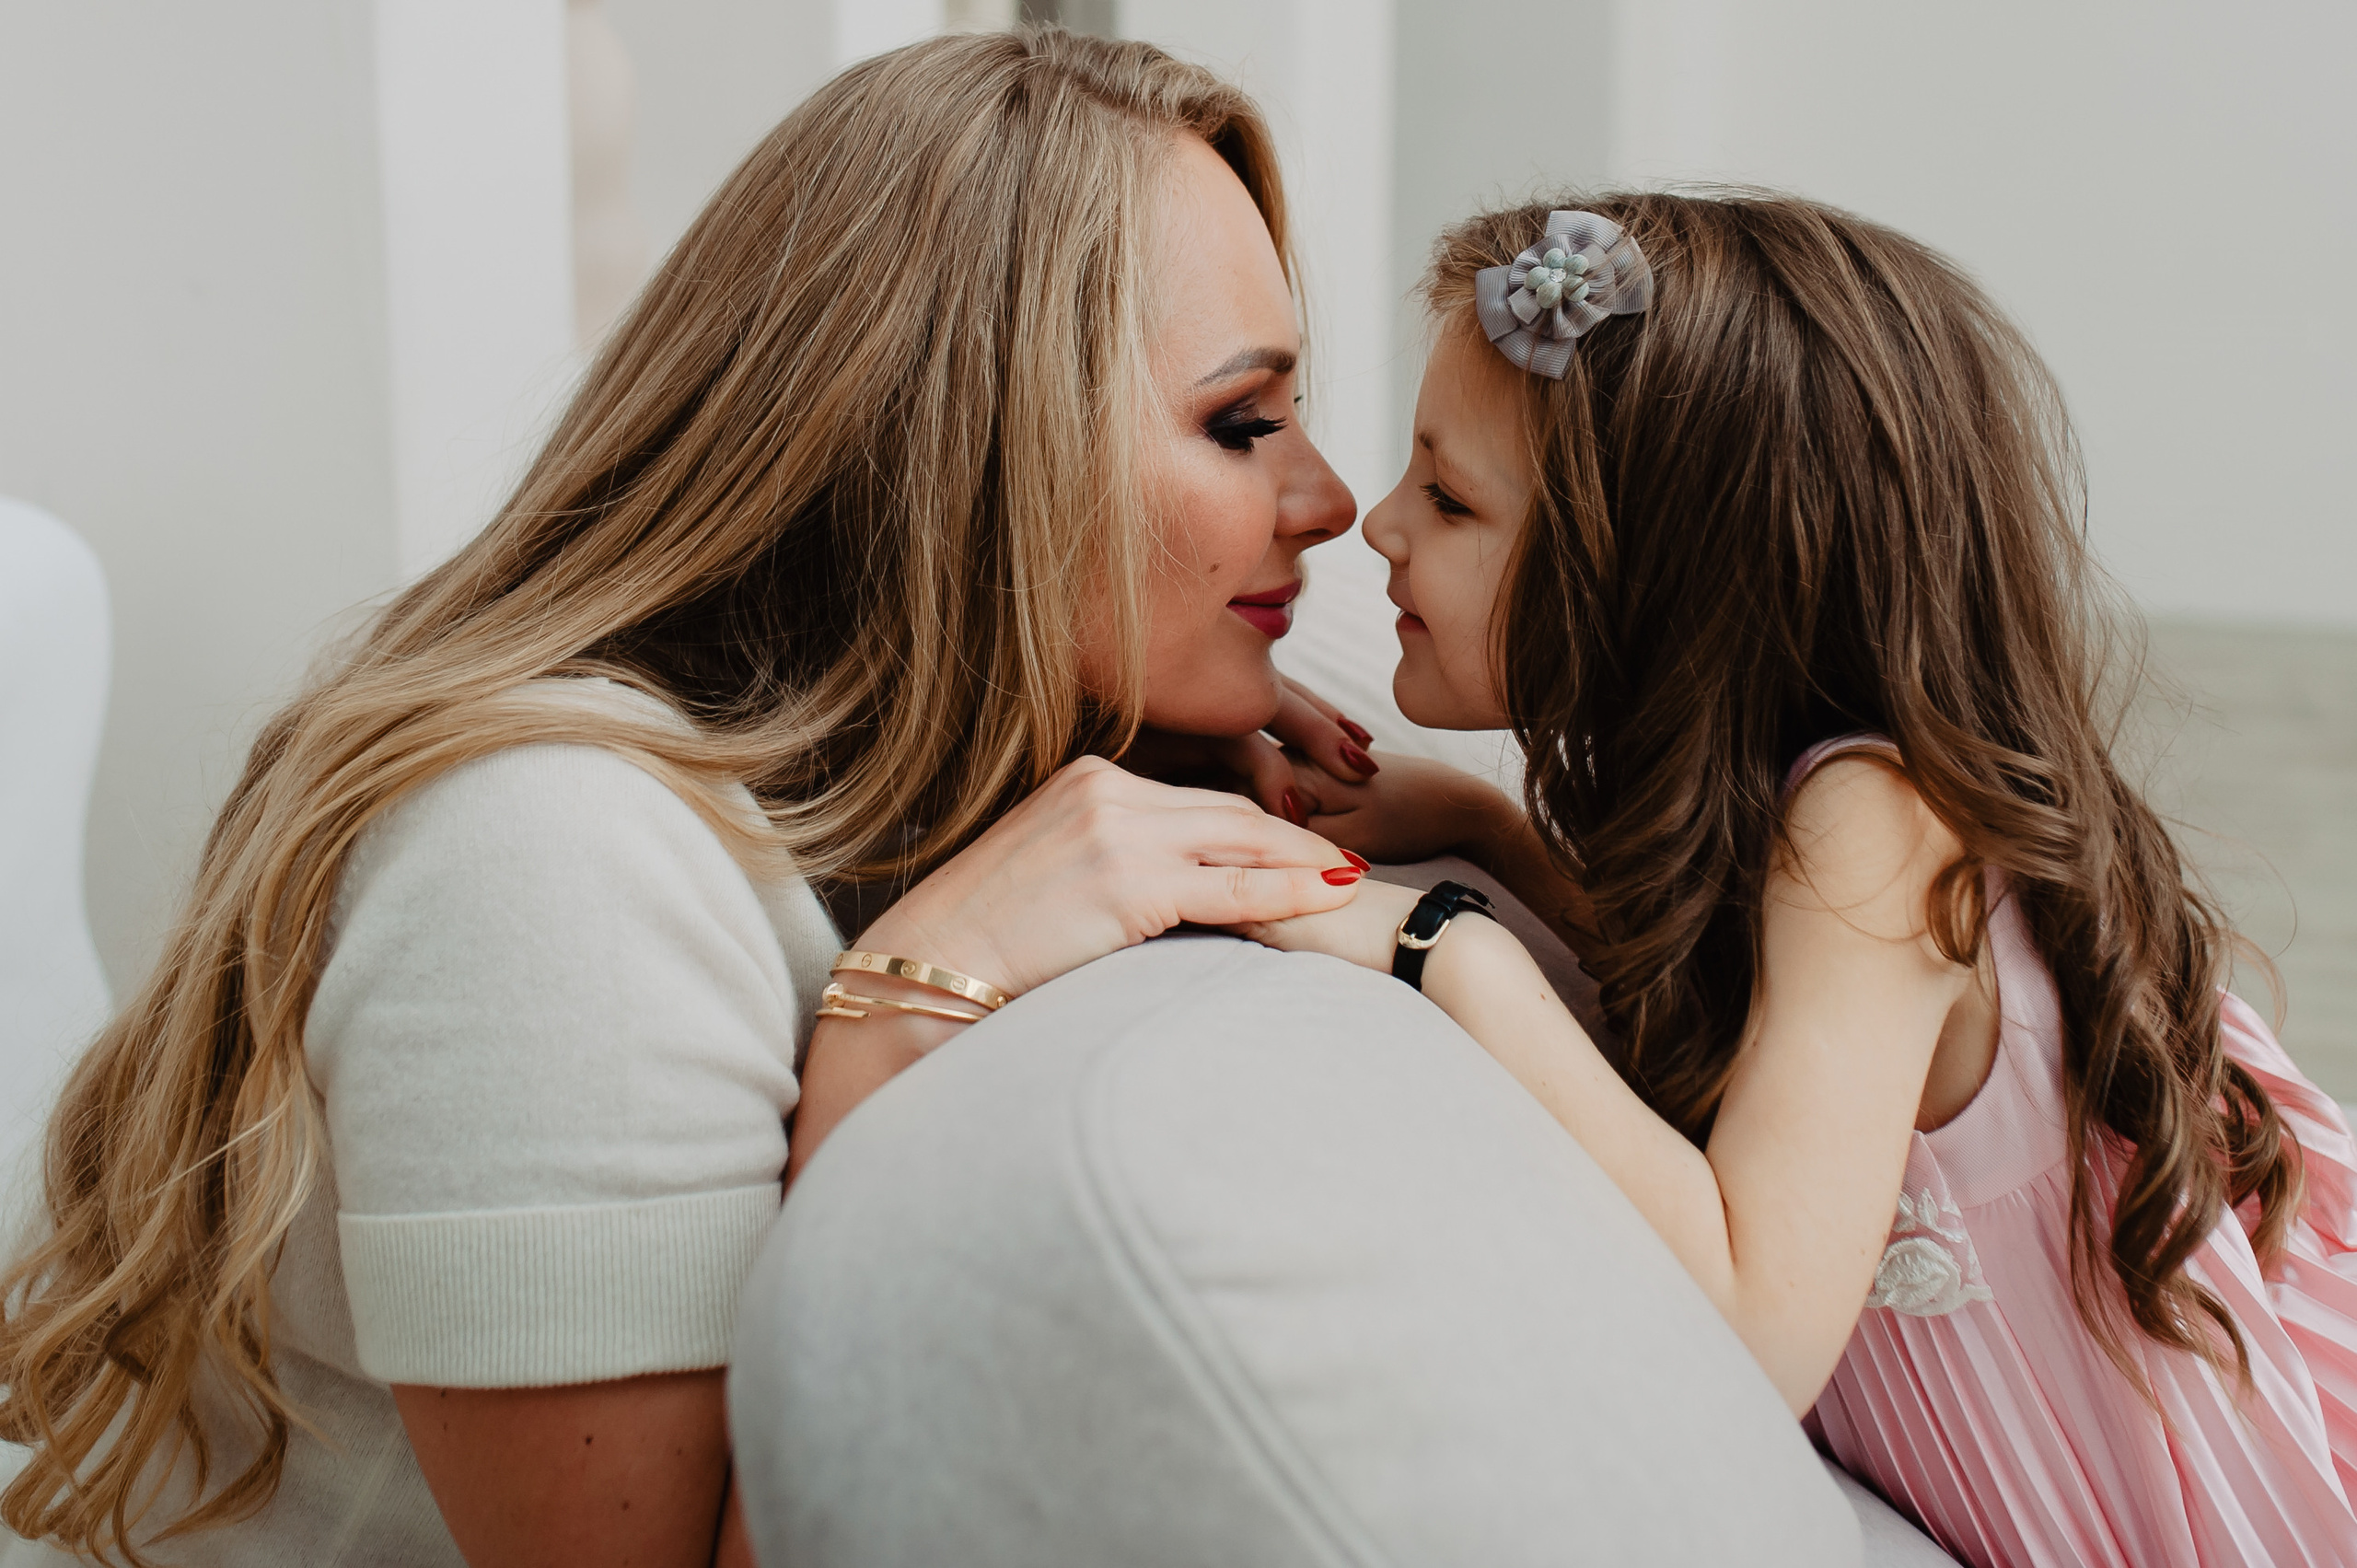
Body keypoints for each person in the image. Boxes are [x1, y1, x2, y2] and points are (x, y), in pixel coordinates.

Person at [0, 29, 1381, 1567]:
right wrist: (900, 1028)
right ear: (962, 449)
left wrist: (1415, 825)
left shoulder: (944, 784)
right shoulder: (547, 859)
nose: (1332, 500)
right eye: (1243, 423)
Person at [1247, 193, 2357, 1566]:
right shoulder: (1804, 824)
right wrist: (1488, 827)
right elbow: (1767, 1011)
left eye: (1451, 496)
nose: (1380, 527)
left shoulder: (1878, 821)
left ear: (1657, 579)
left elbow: (1750, 1331)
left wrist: (1443, 944)